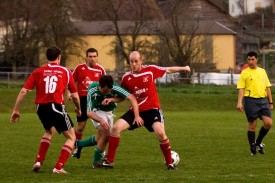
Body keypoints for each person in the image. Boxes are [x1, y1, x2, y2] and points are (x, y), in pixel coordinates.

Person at [101, 51, 191, 170]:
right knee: (115, 128)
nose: (133, 64)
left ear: (141, 60)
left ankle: (169, 164)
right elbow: (123, 96)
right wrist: (112, 99)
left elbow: (168, 69)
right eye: (131, 62)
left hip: (152, 109)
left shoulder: (150, 70)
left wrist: (184, 68)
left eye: (136, 61)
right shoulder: (126, 78)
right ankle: (109, 161)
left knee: (160, 132)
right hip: (135, 111)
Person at [10, 46, 81, 174]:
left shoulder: (38, 71)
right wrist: (78, 108)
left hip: (40, 108)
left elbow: (23, 90)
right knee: (71, 137)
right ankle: (58, 167)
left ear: (47, 57)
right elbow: (75, 95)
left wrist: (16, 110)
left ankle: (38, 161)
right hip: (56, 106)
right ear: (59, 57)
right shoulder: (65, 71)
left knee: (49, 131)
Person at [72, 75, 143, 168]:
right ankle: (96, 162)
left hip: (109, 112)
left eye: (109, 91)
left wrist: (112, 99)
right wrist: (101, 120)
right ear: (100, 86)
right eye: (105, 91)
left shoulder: (113, 86)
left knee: (99, 138)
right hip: (96, 112)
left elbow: (130, 97)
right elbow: (89, 112)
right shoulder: (92, 89)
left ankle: (79, 144)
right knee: (107, 134)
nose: (108, 92)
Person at [237, 51, 273, 156]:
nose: (250, 61)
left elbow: (267, 87)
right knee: (252, 124)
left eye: (252, 59)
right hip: (250, 100)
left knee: (268, 123)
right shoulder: (244, 73)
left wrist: (270, 102)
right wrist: (239, 102)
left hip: (263, 101)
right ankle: (252, 146)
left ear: (257, 59)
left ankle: (258, 142)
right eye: (249, 59)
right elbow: (241, 89)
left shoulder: (262, 71)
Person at [69, 48, 106, 141]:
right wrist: (69, 93)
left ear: (97, 57)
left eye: (94, 56)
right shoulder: (79, 68)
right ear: (86, 57)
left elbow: (106, 87)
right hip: (83, 100)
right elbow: (71, 82)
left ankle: (101, 150)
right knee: (81, 127)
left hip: (96, 100)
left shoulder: (101, 70)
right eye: (90, 56)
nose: (92, 58)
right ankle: (76, 146)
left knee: (102, 128)